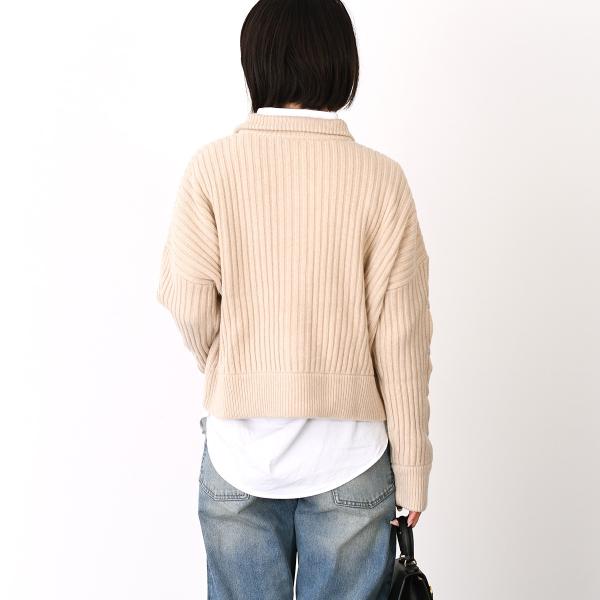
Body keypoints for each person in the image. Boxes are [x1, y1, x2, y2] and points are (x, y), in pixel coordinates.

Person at [156, 1, 434, 598]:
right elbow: (403, 341)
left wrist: (236, 366)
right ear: (343, 65)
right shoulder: (381, 180)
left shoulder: (211, 169)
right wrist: (412, 471)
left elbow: (189, 301)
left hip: (239, 451)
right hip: (351, 457)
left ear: (255, 62)